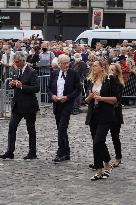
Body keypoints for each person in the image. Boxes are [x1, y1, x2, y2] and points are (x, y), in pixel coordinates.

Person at [0, 51, 40, 160]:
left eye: (17, 61)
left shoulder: (31, 72)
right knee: (12, 127)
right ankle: (10, 151)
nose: (15, 63)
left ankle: (32, 152)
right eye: (14, 61)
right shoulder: (16, 70)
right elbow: (14, 83)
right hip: (17, 105)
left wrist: (22, 86)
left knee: (30, 129)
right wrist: (12, 84)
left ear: (23, 60)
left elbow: (36, 88)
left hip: (29, 105)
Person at [85, 59, 119, 181]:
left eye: (95, 66)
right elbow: (87, 100)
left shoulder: (110, 80)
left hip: (106, 115)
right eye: (93, 66)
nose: (93, 68)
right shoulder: (91, 80)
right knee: (97, 142)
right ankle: (99, 170)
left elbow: (116, 99)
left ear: (102, 67)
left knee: (98, 141)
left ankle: (107, 164)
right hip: (93, 115)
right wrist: (90, 97)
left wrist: (102, 98)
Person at [48, 54, 81, 162]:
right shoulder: (54, 73)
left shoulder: (73, 74)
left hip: (67, 104)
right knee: (60, 128)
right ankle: (67, 152)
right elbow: (49, 88)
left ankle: (61, 152)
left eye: (68, 62)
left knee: (62, 128)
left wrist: (67, 97)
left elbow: (78, 89)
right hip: (57, 103)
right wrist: (52, 95)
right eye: (64, 63)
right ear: (59, 64)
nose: (67, 65)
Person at [109, 63, 125, 167]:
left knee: (115, 136)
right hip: (106, 113)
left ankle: (118, 157)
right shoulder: (107, 81)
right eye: (109, 69)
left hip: (115, 114)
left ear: (117, 73)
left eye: (112, 70)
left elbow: (116, 99)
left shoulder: (118, 84)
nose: (110, 72)